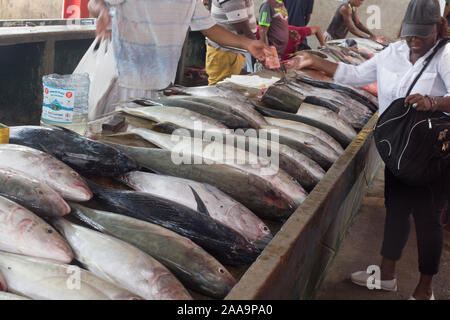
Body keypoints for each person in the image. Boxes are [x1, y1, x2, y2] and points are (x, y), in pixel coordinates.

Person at [285, 0, 449, 300]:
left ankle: (424, 291)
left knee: (428, 219)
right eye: (410, 34)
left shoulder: (446, 54)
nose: (414, 41)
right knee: (396, 211)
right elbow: (355, 75)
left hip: (432, 154)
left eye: (422, 36)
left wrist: (433, 102)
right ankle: (386, 276)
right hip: (398, 149)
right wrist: (314, 61)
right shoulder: (393, 53)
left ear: (437, 29)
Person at [87, 0, 266, 115]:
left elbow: (210, 28)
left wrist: (247, 44)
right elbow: (94, 3)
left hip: (162, 86)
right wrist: (102, 11)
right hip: (124, 84)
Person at [206, 0, 257, 85]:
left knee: (229, 87)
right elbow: (240, 26)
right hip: (226, 51)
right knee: (220, 89)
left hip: (233, 49)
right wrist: (256, 46)